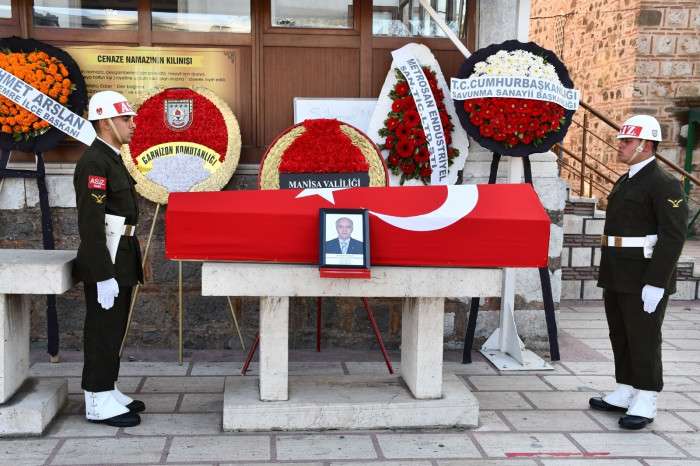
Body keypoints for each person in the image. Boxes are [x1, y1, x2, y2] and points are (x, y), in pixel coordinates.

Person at [589, 114, 688, 430]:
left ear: (645, 145)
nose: (620, 145)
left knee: (644, 337)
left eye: (627, 141)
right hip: (617, 271)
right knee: (620, 332)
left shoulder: (664, 183)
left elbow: (673, 236)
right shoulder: (627, 179)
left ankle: (646, 397)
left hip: (644, 276)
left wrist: (657, 282)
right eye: (621, 139)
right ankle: (625, 388)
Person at [73, 91, 145, 428]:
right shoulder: (94, 162)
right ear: (105, 122)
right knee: (102, 329)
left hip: (122, 253)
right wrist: (102, 274)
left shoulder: (112, 158)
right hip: (107, 259)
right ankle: (96, 398)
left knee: (114, 327)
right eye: (125, 119)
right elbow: (91, 224)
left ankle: (107, 387)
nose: (132, 124)